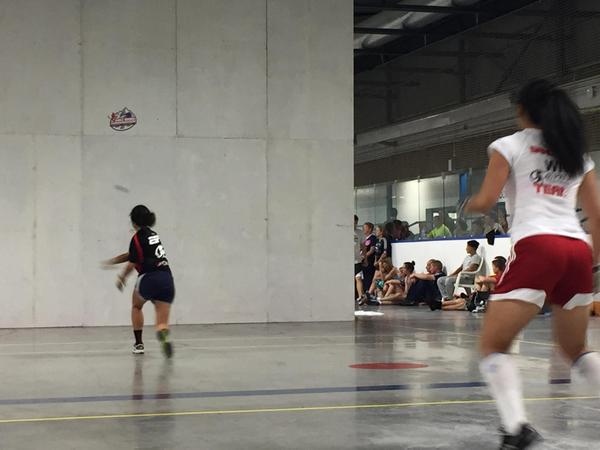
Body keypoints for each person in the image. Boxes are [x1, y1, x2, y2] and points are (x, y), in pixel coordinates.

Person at [464, 78, 600, 448]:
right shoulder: (576, 154)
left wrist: (470, 205)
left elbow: (487, 199)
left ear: (523, 110)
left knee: (493, 346)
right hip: (577, 249)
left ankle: (516, 429)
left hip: (538, 245)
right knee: (575, 349)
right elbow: (597, 216)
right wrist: (592, 263)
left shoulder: (509, 145)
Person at [104, 205, 175, 357]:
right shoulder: (153, 235)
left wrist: (122, 278)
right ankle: (163, 333)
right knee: (162, 321)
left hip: (149, 278)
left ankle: (139, 344)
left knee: (136, 306)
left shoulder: (137, 238)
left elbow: (132, 262)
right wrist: (114, 260)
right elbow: (131, 254)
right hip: (167, 279)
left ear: (133, 221)